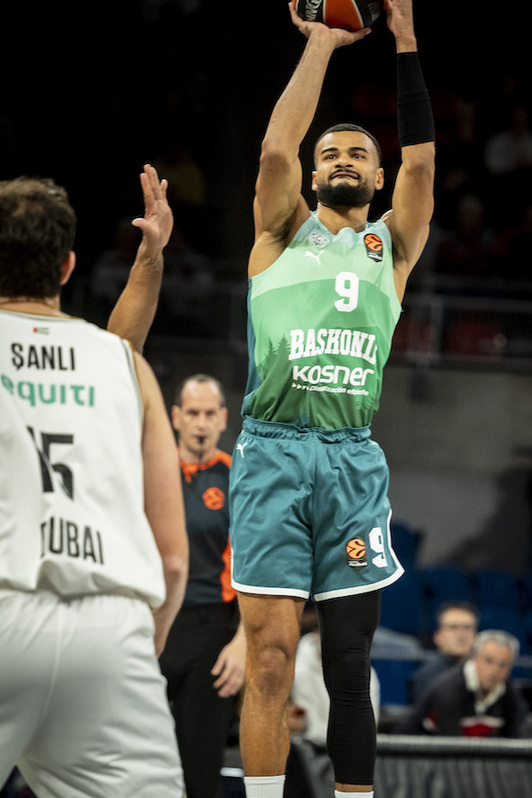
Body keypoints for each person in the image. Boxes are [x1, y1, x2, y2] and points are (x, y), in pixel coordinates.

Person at [228, 1, 435, 796]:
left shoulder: (392, 246)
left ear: (378, 178)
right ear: (314, 177)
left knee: (349, 662)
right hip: (273, 454)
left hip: (350, 461)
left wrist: (406, 43)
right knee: (270, 659)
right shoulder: (280, 232)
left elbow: (422, 168)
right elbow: (275, 148)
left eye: (358, 153)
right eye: (330, 154)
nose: (343, 160)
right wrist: (320, 43)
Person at [0, 165, 189, 797]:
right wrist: (143, 644)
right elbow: (172, 560)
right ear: (67, 267)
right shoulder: (123, 367)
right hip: (110, 628)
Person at [158, 374, 246, 798]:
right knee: (136, 763)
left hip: (213, 632)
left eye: (210, 414)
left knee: (201, 772)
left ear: (224, 418)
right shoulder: (151, 471)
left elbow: (255, 565)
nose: (201, 423)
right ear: (176, 417)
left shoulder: (239, 476)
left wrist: (242, 642)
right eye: (193, 413)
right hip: (152, 625)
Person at [396, 630, 526, 737]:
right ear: (474, 658)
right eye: (488, 661)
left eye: (503, 665)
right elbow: (453, 748)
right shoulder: (448, 690)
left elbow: (514, 741)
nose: (494, 670)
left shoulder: (509, 693)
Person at [410, 601, 479, 701]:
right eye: (453, 627)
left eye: (467, 628)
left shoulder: (485, 671)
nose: (461, 635)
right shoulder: (429, 675)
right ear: (437, 637)